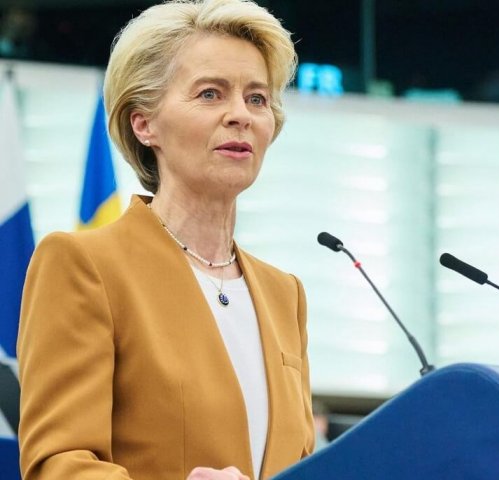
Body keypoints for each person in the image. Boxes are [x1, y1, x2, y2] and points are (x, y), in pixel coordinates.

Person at [16, 1, 314, 479]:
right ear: (144, 123)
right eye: (211, 93)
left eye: (257, 99)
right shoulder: (85, 265)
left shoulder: (286, 295)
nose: (241, 115)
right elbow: (59, 463)